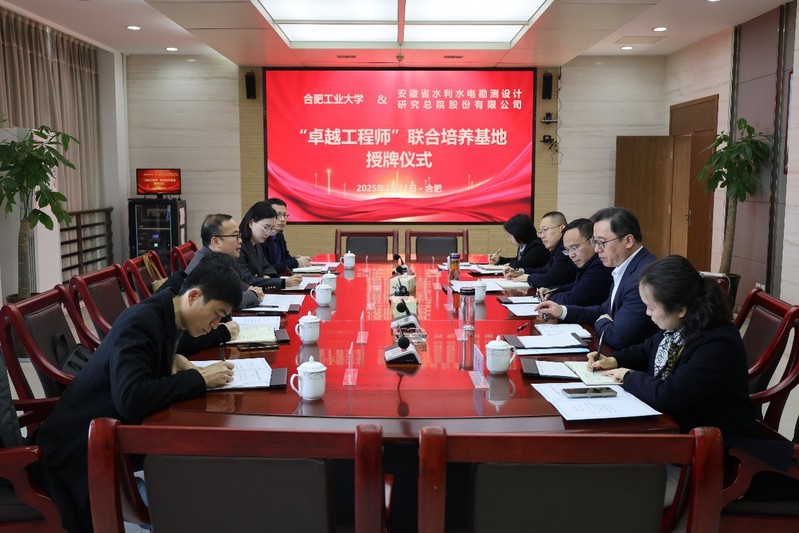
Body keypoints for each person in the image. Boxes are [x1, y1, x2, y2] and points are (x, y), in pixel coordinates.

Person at [31, 252, 243, 533]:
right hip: (76, 454)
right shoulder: (141, 321)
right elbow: (130, 399)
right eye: (216, 314)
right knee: (192, 496)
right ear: (193, 296)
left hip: (107, 437)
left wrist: (172, 360)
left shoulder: (167, 314)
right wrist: (198, 379)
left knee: (200, 471)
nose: (216, 325)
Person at [589, 255, 759, 439]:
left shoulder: (717, 343)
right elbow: (647, 348)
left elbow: (668, 396)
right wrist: (614, 360)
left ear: (680, 309)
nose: (647, 313)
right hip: (677, 425)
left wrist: (629, 376)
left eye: (652, 307)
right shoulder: (681, 326)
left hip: (714, 439)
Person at [536, 207, 658, 349]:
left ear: (628, 241)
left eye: (602, 242)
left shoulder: (643, 277)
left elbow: (617, 337)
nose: (597, 249)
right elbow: (604, 310)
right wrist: (562, 312)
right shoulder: (625, 267)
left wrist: (602, 322)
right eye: (595, 242)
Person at [542, 218, 613, 306]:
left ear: (593, 241)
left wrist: (548, 298)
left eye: (574, 248)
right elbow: (576, 286)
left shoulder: (601, 266)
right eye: (567, 250)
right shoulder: (587, 263)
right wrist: (551, 291)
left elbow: (571, 300)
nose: (571, 255)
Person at [504, 211, 577, 288]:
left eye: (545, 230)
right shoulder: (556, 248)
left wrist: (528, 278)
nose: (542, 236)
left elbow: (550, 280)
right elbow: (544, 270)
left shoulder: (565, 249)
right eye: (540, 232)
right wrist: (521, 272)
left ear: (561, 228)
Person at [238, 201, 301, 289]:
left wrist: (267, 275)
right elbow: (247, 279)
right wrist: (283, 282)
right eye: (265, 227)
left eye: (271, 228)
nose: (268, 233)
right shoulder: (238, 245)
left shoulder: (257, 243)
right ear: (251, 223)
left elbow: (268, 266)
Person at [263, 198, 312, 274]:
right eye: (278, 215)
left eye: (284, 215)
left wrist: (297, 259)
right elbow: (267, 270)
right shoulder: (262, 238)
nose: (282, 219)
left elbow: (285, 259)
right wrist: (295, 262)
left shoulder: (279, 234)